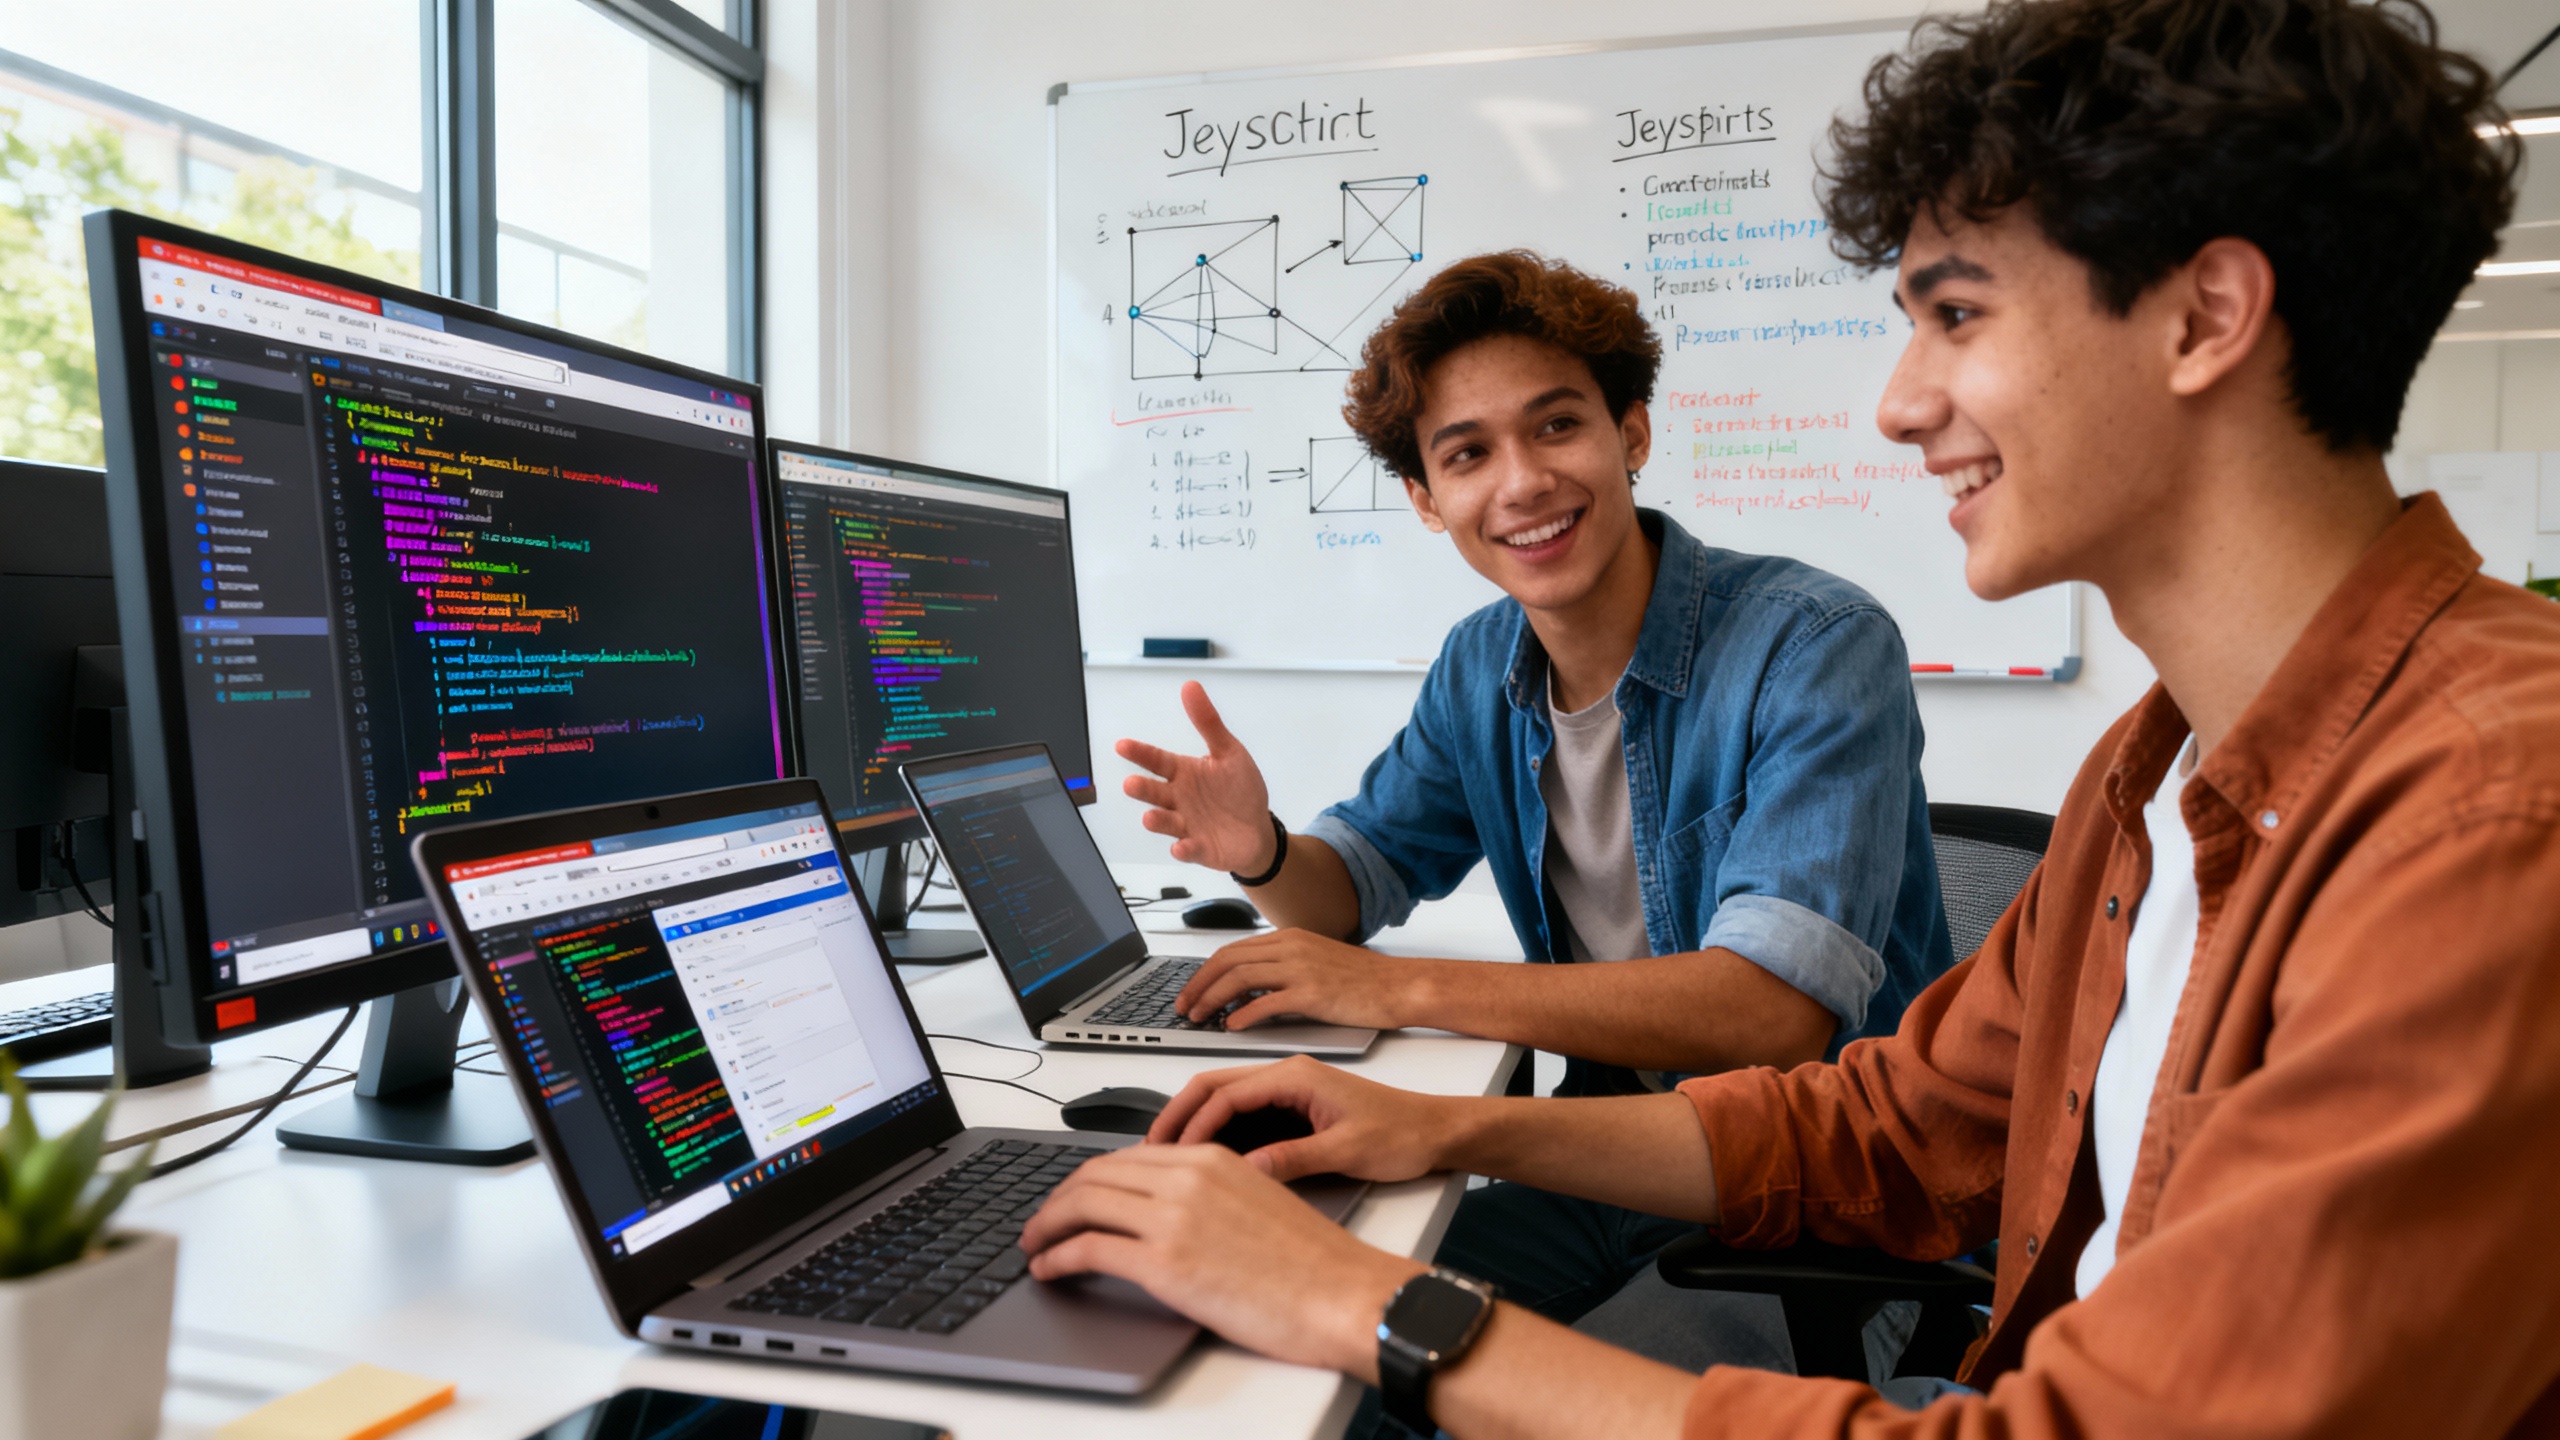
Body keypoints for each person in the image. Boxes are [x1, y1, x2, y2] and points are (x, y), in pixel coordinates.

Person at [1022, 0, 2560, 1433]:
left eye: (1955, 315)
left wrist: (1380, 1306)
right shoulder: (2152, 770)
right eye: (1465, 453)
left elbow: (1789, 1043)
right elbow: (1883, 1128)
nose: (1899, 401)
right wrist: (1444, 1129)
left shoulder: (2490, 816)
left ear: (2205, 315)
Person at [1113, 249, 1956, 1347]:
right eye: (1466, 454)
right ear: (1426, 500)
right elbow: (1349, 888)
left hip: (1828, 1214)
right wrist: (1261, 852)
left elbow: (1768, 1011)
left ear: (1631, 435)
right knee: (1274, 1327)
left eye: (1556, 427)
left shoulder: (1815, 645)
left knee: (1477, 1393)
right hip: (1613, 1166)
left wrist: (1396, 988)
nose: (1520, 483)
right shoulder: (1482, 666)